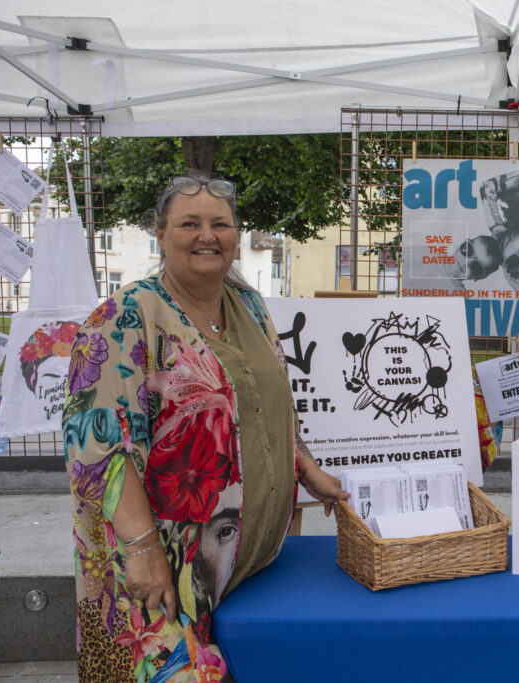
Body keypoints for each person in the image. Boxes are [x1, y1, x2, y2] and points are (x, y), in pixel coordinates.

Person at [63, 172, 349, 682]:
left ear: (236, 235)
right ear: (160, 234)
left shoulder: (250, 306)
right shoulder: (127, 315)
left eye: (220, 224)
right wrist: (145, 550)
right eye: (189, 223)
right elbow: (99, 444)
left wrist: (305, 468)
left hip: (247, 566)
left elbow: (268, 406)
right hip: (165, 570)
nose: (207, 235)